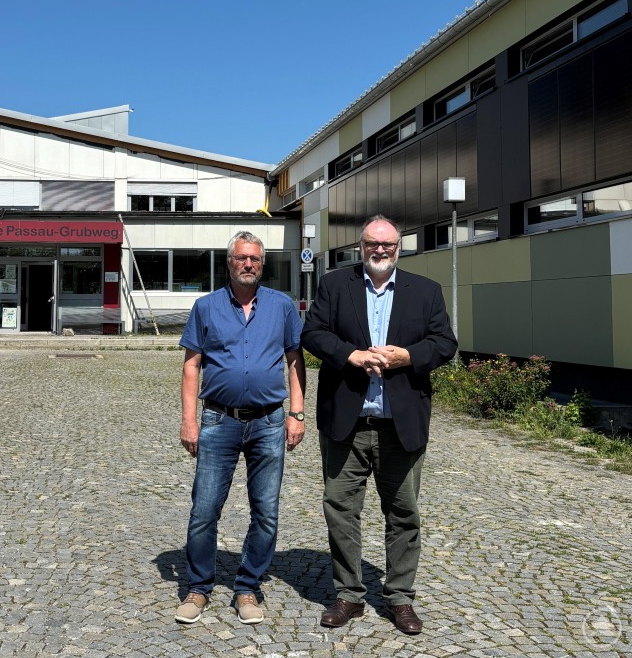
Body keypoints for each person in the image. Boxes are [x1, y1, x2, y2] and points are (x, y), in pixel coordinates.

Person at [301, 215, 456, 635]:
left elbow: (445, 343)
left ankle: (400, 599)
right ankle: (349, 595)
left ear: (398, 247)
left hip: (399, 423)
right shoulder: (335, 285)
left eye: (387, 244)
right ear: (361, 245)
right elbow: (312, 333)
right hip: (346, 423)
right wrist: (350, 355)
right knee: (340, 510)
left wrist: (408, 356)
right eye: (373, 243)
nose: (380, 250)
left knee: (404, 514)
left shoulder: (425, 290)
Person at [175, 231, 306, 626]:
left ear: (262, 264)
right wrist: (188, 420)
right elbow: (191, 366)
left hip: (269, 421)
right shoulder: (206, 307)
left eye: (255, 259)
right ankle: (199, 588)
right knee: (204, 511)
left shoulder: (282, 307)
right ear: (229, 262)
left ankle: (247, 587)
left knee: (266, 512)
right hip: (219, 420)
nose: (248, 264)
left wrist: (297, 413)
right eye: (241, 258)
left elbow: (295, 361)